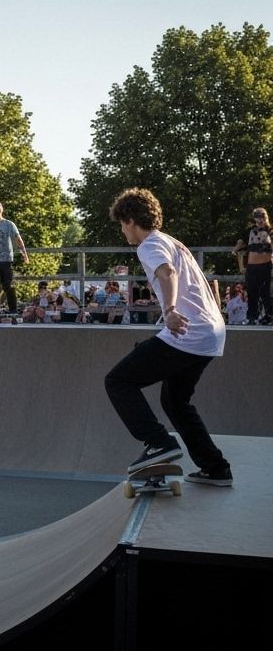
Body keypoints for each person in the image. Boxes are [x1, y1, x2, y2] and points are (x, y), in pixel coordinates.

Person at [104, 188, 232, 486]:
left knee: (119, 381)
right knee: (175, 401)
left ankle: (159, 443)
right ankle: (216, 468)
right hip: (210, 334)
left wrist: (171, 308)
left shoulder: (149, 245)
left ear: (132, 220)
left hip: (187, 332)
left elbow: (167, 273)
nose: (123, 231)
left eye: (122, 224)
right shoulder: (172, 241)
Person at [233, 207, 272, 324]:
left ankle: (269, 315)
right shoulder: (250, 230)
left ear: (266, 218)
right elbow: (241, 241)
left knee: (265, 292)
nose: (260, 220)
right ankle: (252, 317)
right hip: (251, 266)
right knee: (252, 291)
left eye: (262, 218)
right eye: (257, 218)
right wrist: (236, 248)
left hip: (264, 265)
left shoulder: (270, 230)